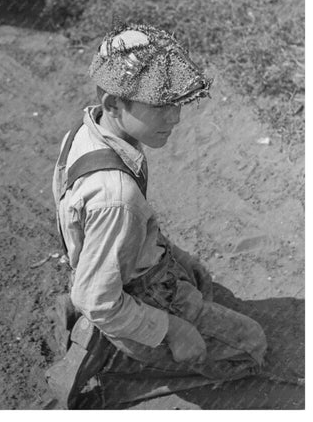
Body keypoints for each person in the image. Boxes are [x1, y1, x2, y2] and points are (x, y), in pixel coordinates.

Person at [46, 23, 267, 409]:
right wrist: (171, 329)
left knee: (197, 276)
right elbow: (96, 297)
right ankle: (113, 359)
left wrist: (175, 256)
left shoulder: (88, 130)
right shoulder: (117, 196)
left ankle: (110, 323)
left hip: (118, 266)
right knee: (250, 348)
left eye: (177, 103)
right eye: (161, 106)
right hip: (125, 293)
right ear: (114, 103)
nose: (176, 118)